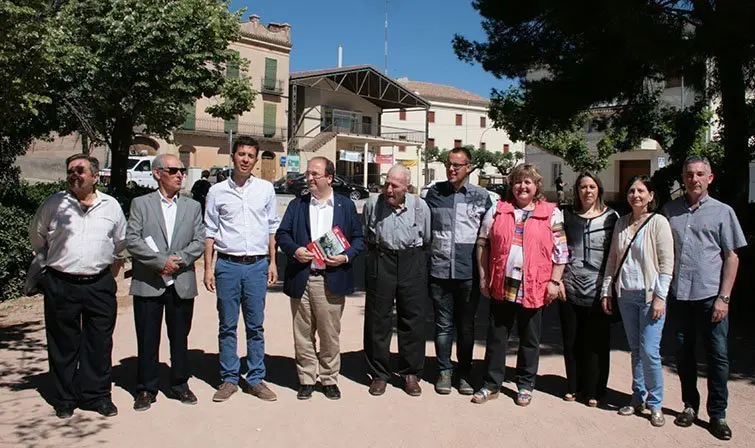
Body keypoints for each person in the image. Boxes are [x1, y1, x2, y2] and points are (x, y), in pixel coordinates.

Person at [29, 154, 126, 419]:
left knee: (99, 343)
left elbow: (120, 243)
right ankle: (64, 398)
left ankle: (97, 397)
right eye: (70, 170)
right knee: (63, 344)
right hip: (61, 283)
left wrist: (111, 269)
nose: (74, 175)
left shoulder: (111, 206)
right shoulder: (54, 204)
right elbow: (38, 238)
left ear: (95, 176)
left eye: (80, 170)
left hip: (99, 284)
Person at [663, 156, 746, 441]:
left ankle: (718, 414)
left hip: (711, 296)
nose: (694, 179)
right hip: (679, 295)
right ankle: (689, 406)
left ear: (709, 178)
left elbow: (731, 256)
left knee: (717, 357)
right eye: (689, 174)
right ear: (683, 178)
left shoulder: (723, 212)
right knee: (683, 354)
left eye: (700, 174)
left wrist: (724, 297)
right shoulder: (670, 211)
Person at [472, 163, 569, 406]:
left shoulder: (551, 213)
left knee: (529, 338)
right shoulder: (498, 210)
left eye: (528, 182)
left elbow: (561, 252)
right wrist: (483, 276)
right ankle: (491, 384)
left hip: (534, 285)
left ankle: (525, 385)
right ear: (511, 185)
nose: (522, 186)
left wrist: (555, 282)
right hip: (502, 284)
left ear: (536, 186)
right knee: (496, 337)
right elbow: (483, 244)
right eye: (517, 181)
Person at [275, 157, 364, 400]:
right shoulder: (298, 205)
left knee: (329, 334)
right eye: (308, 173)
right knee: (302, 333)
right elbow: (282, 234)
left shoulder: (345, 206)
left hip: (331, 279)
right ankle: (306, 378)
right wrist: (294, 250)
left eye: (315, 174)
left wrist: (345, 258)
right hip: (302, 278)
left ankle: (329, 379)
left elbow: (359, 239)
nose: (309, 178)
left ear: (329, 178)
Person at [126, 154, 205, 411]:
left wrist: (178, 260)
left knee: (179, 337)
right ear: (158, 173)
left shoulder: (192, 207)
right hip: (149, 281)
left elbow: (199, 241)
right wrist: (161, 262)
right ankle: (146, 388)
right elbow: (133, 240)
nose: (180, 175)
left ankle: (180, 384)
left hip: (181, 281)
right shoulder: (141, 204)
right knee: (148, 337)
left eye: (181, 170)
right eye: (174, 170)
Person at [203, 136, 280, 403]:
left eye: (250, 155)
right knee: (227, 325)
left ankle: (256, 378)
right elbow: (210, 232)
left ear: (256, 160)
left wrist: (273, 262)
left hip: (257, 266)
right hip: (227, 266)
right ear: (233, 157)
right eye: (241, 154)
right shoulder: (217, 192)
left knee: (255, 326)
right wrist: (208, 269)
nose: (245, 159)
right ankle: (229, 378)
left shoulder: (265, 190)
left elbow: (272, 228)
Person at [601, 175, 674, 427]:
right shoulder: (621, 223)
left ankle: (656, 403)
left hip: (650, 296)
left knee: (650, 351)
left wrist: (660, 297)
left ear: (651, 196)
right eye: (631, 191)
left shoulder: (658, 223)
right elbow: (612, 261)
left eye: (641, 191)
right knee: (635, 350)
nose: (636, 195)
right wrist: (606, 291)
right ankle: (637, 397)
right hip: (626, 295)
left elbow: (666, 265)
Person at [424, 147, 493, 395]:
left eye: (457, 165)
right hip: (440, 271)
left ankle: (464, 372)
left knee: (466, 326)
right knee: (442, 326)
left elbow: (488, 236)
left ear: (469, 168)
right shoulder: (434, 193)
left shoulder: (482, 197)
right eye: (448, 164)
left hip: (469, 274)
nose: (451, 168)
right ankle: (444, 371)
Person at [362, 164, 431, 397]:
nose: (388, 189)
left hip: (412, 260)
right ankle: (379, 374)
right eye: (386, 184)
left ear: (407, 188)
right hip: (382, 259)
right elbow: (367, 234)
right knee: (378, 318)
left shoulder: (421, 207)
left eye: (395, 186)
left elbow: (427, 237)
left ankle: (410, 373)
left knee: (412, 318)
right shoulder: (373, 204)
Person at [559, 172, 618, 407]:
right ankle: (574, 386)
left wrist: (610, 288)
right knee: (572, 340)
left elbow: (616, 254)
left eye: (592, 186)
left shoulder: (611, 218)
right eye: (583, 187)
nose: (587, 191)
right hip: (570, 286)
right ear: (577, 191)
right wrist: (558, 281)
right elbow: (558, 249)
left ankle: (595, 390)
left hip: (599, 289)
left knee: (597, 342)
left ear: (599, 189)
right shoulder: (566, 217)